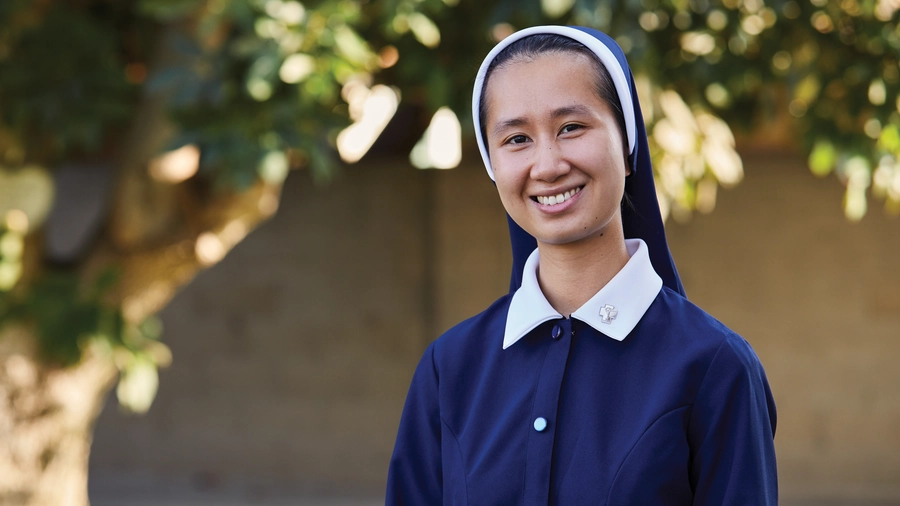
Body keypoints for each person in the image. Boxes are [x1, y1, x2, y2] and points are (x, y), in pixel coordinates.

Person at [386, 25, 777, 505]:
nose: (547, 165)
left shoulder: (715, 367)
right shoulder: (449, 369)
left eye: (571, 128)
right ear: (492, 164)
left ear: (628, 145)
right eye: (516, 139)